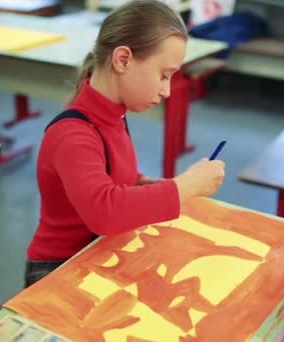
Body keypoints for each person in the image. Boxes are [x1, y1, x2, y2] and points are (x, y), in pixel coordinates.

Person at [24, 0, 226, 287]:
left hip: (95, 255)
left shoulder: (114, 116)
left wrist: (153, 185)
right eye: (163, 75)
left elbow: (120, 181)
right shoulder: (72, 135)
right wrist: (185, 187)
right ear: (122, 60)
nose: (167, 90)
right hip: (57, 271)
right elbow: (104, 212)